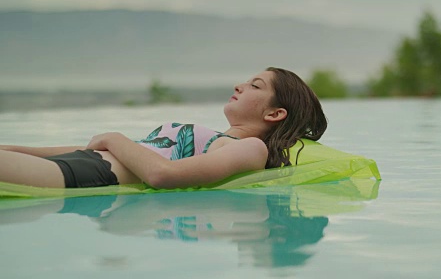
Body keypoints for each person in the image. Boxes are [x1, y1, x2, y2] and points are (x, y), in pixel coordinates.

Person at [0, 67, 327, 189]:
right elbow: (92, 151)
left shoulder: (252, 148)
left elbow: (162, 176)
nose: (239, 85)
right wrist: (15, 148)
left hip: (91, 175)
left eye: (255, 85)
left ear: (274, 114)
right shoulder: (215, 138)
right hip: (83, 164)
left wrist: (115, 138)